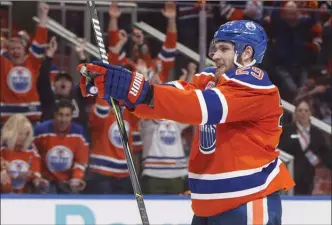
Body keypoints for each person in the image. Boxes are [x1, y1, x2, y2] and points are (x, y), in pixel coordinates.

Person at [78, 20, 295, 225]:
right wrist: (125, 90)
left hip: (247, 201)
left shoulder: (256, 85)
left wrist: (142, 92)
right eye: (216, 48)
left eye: (224, 49)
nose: (216, 55)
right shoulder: (211, 80)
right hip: (208, 207)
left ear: (247, 53)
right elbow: (171, 96)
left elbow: (201, 107)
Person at [33, 99, 89, 194]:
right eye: (60, 115)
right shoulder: (40, 130)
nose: (63, 120)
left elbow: (81, 160)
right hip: (45, 182)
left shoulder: (79, 132)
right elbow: (34, 156)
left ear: (72, 116)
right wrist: (37, 177)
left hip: (68, 182)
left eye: (67, 115)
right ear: (54, 114)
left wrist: (77, 178)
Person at [278, 100, 332, 195]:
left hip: (309, 178)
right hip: (289, 176)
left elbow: (325, 154)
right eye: (300, 110)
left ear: (310, 113)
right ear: (295, 113)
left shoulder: (317, 133)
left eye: (306, 111)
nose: (303, 113)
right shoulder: (286, 131)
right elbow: (281, 150)